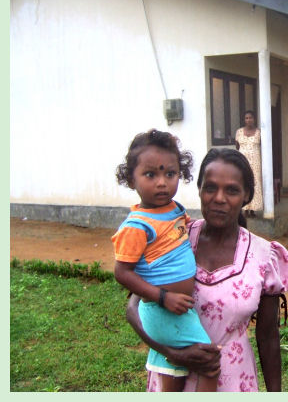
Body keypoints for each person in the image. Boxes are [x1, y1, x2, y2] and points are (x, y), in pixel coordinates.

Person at [126, 148, 288, 392]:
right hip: (172, 375)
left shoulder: (264, 256)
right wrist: (174, 353)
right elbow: (134, 308)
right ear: (199, 190)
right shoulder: (172, 240)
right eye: (210, 188)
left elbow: (268, 336)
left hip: (233, 381)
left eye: (232, 190)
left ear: (246, 195)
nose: (219, 198)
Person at [112, 129, 217, 392]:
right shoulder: (137, 226)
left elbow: (180, 232)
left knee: (174, 373)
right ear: (131, 179)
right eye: (151, 175)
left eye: (170, 174)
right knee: (209, 361)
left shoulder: (174, 210)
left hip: (177, 310)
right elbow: (122, 272)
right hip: (162, 310)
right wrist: (163, 297)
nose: (162, 183)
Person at [235, 110, 263, 218]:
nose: (248, 120)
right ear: (244, 120)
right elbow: (237, 147)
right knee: (243, 183)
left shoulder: (259, 132)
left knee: (255, 183)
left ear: (254, 119)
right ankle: (245, 208)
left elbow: (262, 146)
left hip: (255, 163)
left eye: (250, 117)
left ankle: (252, 209)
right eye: (246, 118)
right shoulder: (239, 132)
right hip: (243, 163)